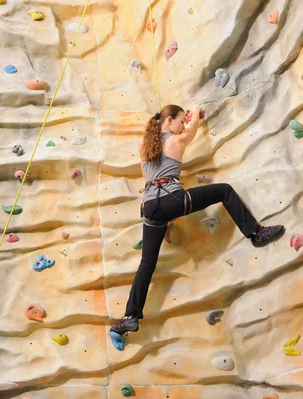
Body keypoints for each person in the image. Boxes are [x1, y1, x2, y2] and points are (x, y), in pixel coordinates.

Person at [109, 104, 285, 336]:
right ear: (170, 120)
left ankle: (130, 316)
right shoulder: (176, 141)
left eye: (183, 122)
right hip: (173, 199)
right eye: (180, 121)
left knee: (146, 264)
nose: (182, 126)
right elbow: (192, 127)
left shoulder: (143, 147)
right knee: (224, 190)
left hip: (151, 207)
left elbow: (148, 179)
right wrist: (195, 113)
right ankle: (256, 234)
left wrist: (166, 219)